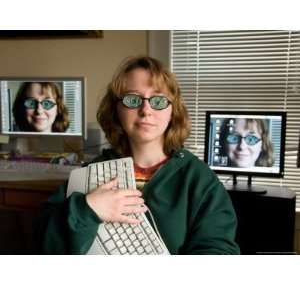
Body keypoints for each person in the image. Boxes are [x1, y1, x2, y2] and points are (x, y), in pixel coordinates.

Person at [35, 56, 240, 255]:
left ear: (173, 111)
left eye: (158, 101)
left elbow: (218, 249)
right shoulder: (92, 173)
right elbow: (44, 245)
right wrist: (87, 209)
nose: (146, 110)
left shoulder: (198, 179)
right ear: (116, 109)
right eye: (133, 99)